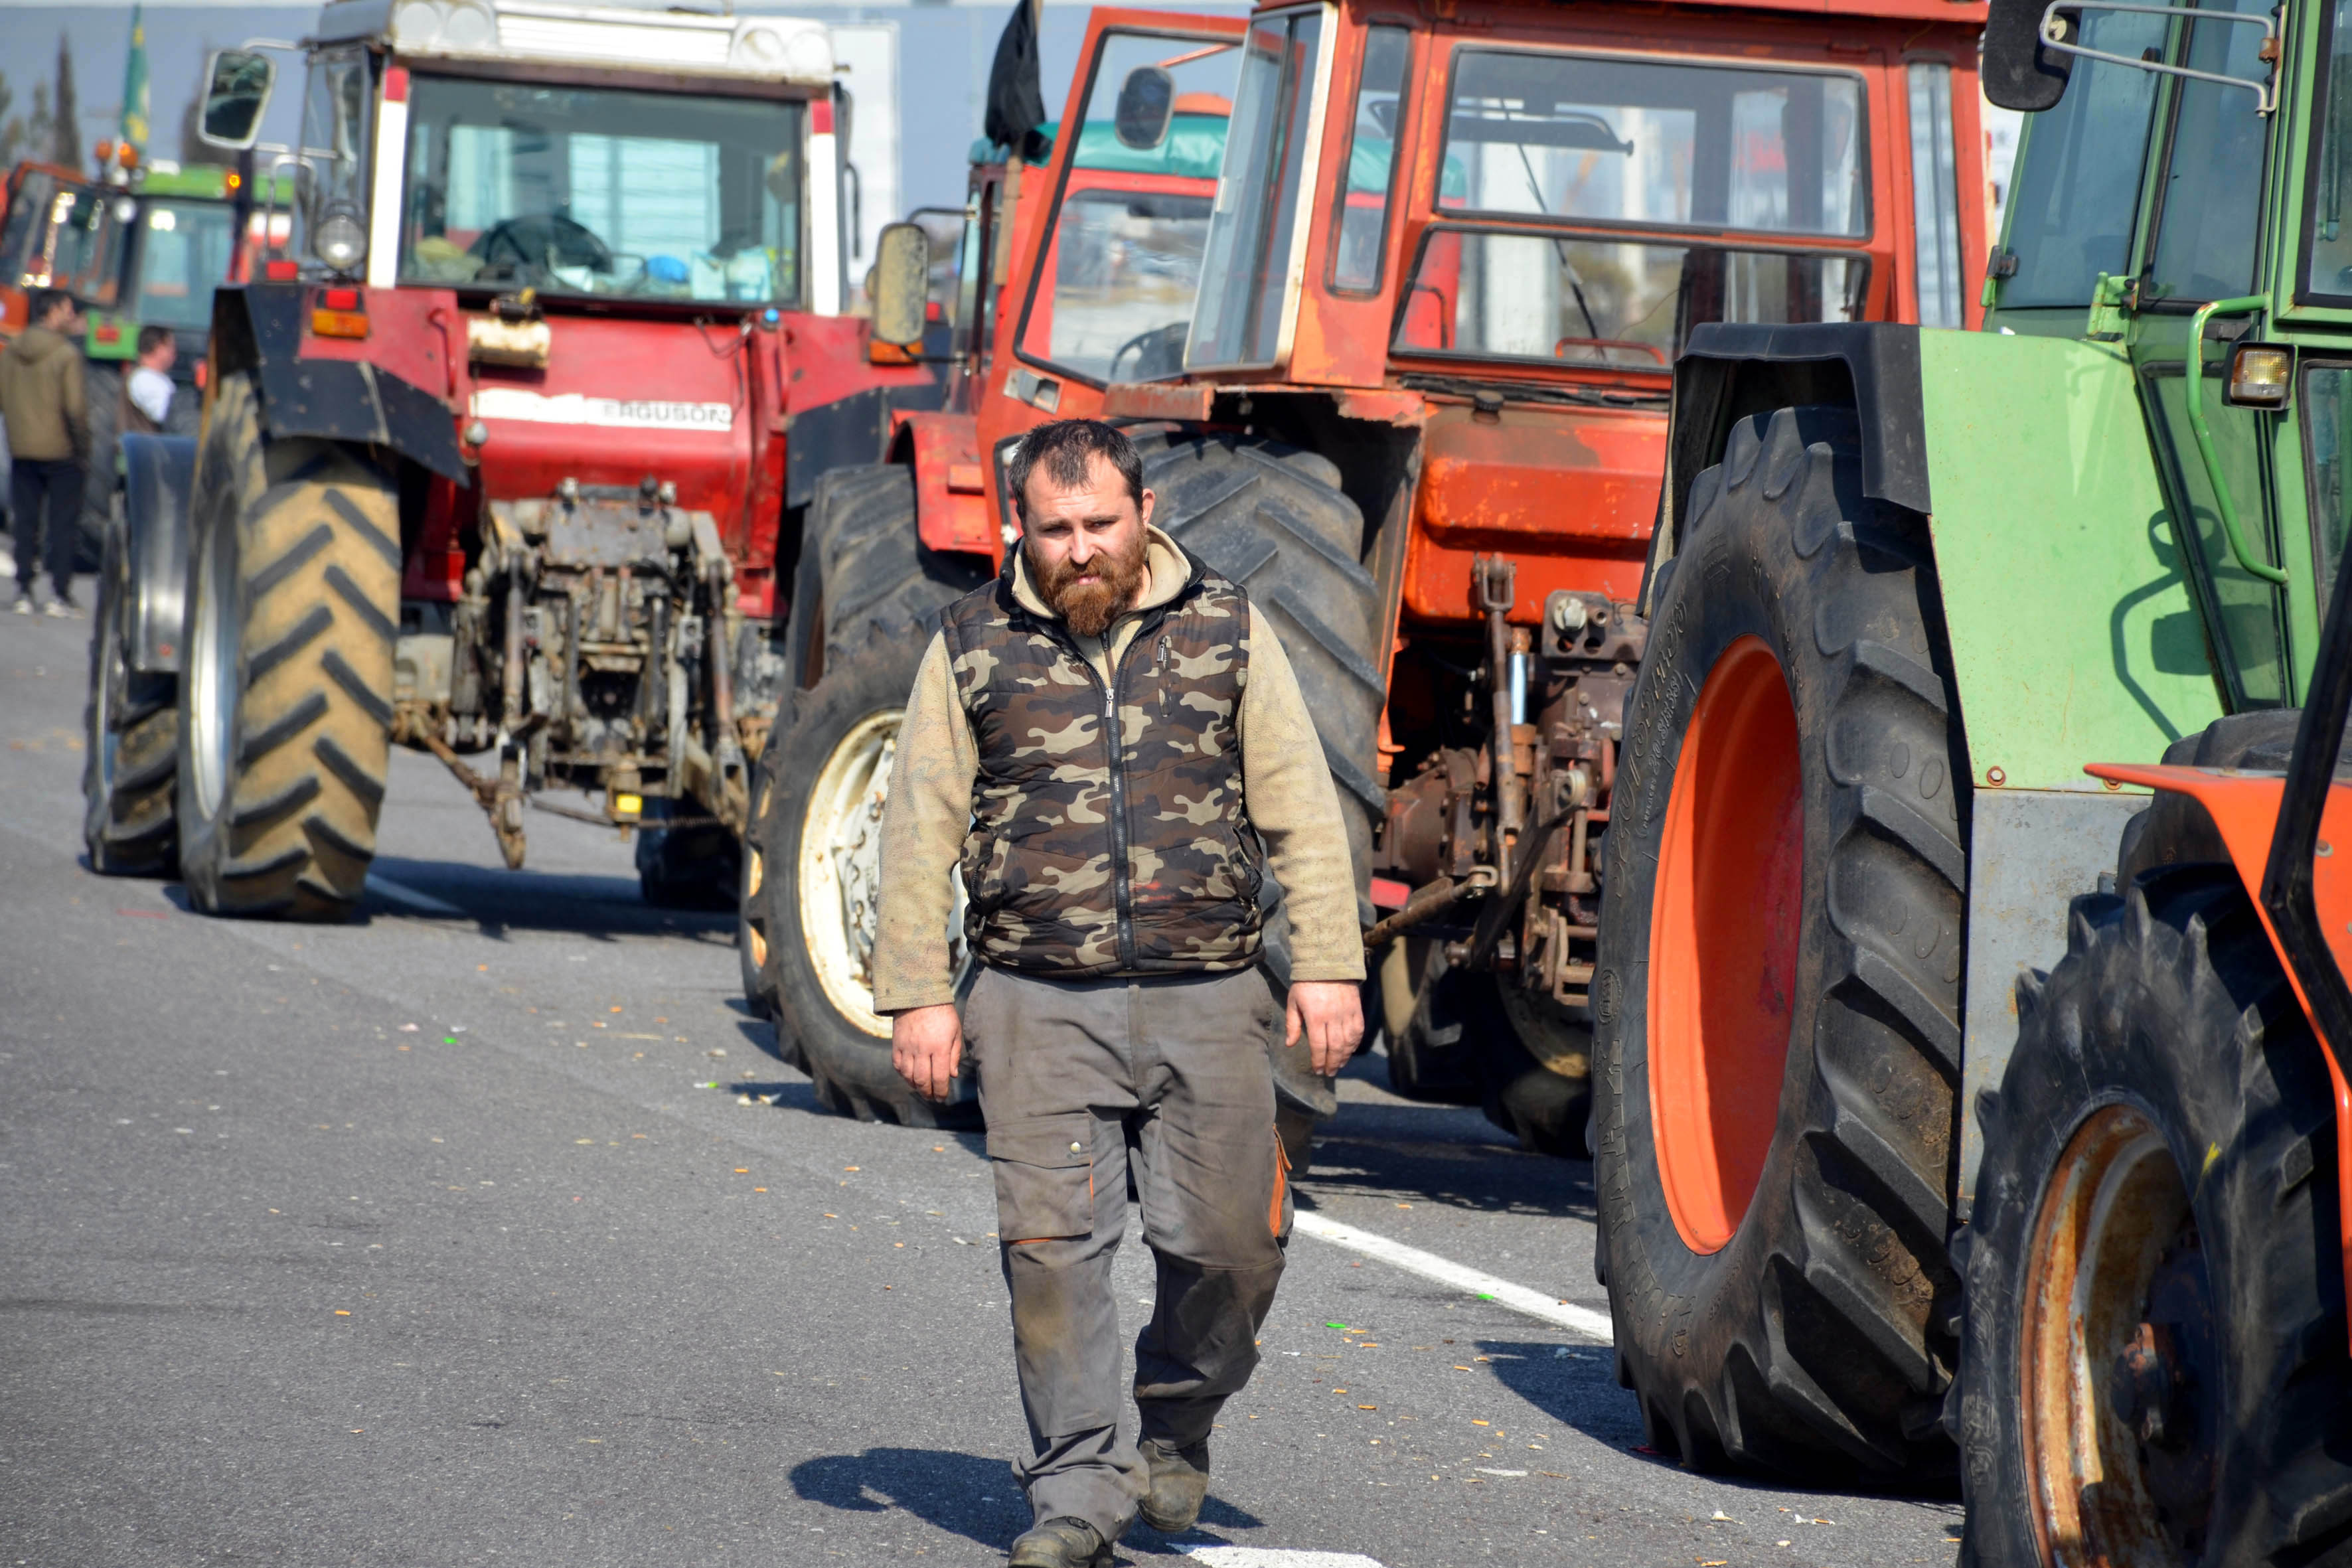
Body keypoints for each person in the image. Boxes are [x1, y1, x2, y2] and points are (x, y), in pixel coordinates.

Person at [873, 419, 1366, 1568]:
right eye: (1054, 529)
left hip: (1212, 994)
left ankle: (1175, 1419)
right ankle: (1075, 1497)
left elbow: (1300, 801)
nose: (1079, 549)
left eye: (1099, 523)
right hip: (1034, 1000)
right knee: (1051, 1254)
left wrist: (1330, 964)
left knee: (1232, 1250)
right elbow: (916, 828)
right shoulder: (969, 643)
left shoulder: (1231, 628)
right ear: (1021, 529)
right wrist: (917, 994)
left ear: (1143, 510)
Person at [0, 288, 89, 615]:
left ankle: (23, 590)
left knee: (26, 523)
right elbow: (76, 408)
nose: (71, 316)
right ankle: (58, 594)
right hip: (61, 451)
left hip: (22, 448)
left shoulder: (12, 351)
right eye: (67, 310)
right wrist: (83, 447)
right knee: (62, 525)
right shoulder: (66, 356)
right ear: (52, 312)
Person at [124, 325, 177, 435]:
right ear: (157, 347)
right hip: (149, 448)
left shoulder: (157, 378)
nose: (174, 352)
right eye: (170, 346)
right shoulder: (143, 379)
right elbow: (164, 415)